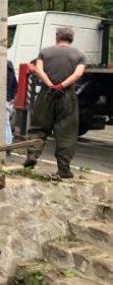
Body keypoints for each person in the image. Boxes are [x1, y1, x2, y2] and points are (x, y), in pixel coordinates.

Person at [24, 27, 86, 178]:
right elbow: (78, 73)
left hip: (47, 93)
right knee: (66, 132)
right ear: (71, 39)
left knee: (39, 128)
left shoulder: (45, 52)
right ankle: (64, 169)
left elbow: (39, 70)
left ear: (57, 37)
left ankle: (32, 157)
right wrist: (62, 86)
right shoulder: (79, 55)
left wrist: (51, 85)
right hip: (67, 96)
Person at [5, 60, 18, 148]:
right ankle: (8, 143)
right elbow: (15, 84)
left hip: (3, 97)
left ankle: (7, 144)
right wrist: (12, 97)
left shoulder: (1, 65)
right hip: (9, 99)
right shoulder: (9, 65)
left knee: (4, 123)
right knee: (6, 122)